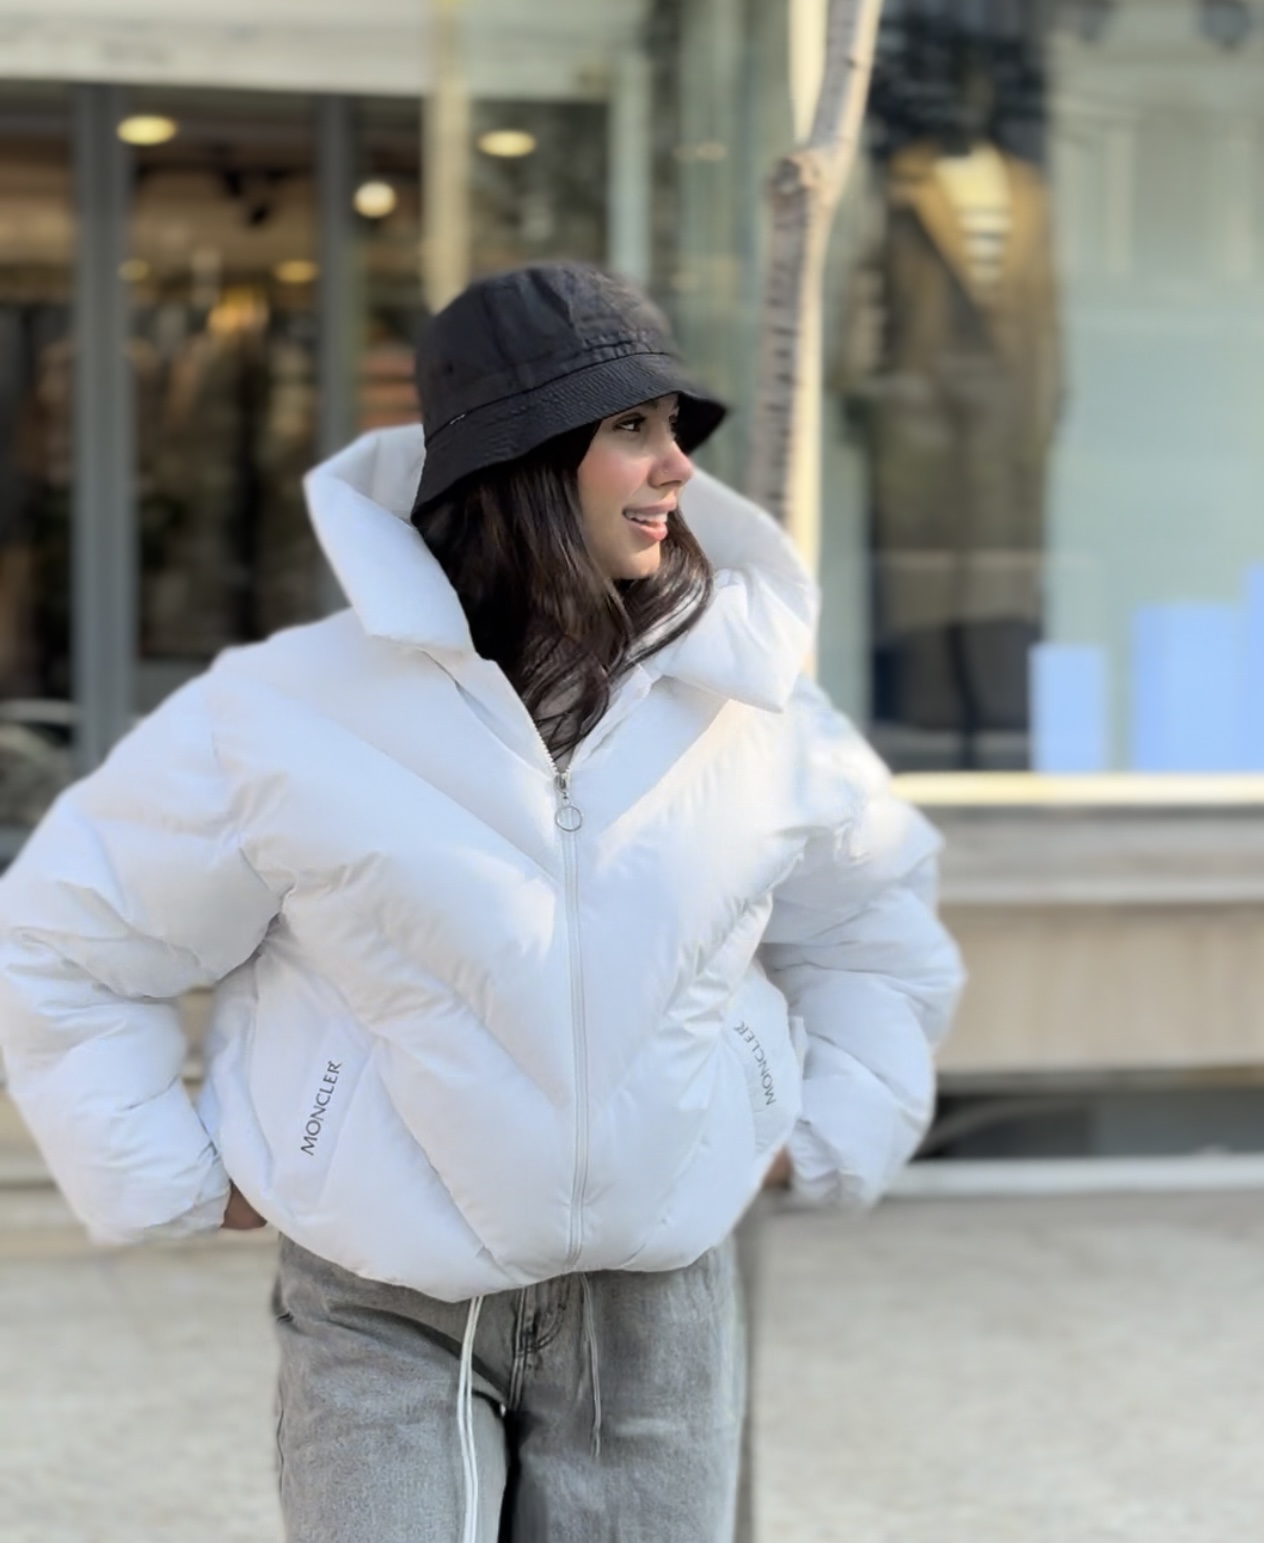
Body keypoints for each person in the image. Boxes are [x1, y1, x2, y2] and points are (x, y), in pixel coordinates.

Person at [0, 263, 963, 1543]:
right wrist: (170, 1176)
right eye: (633, 427)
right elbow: (64, 942)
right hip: (386, 1299)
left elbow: (873, 927)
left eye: (676, 427)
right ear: (521, 461)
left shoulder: (751, 705)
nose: (677, 466)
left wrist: (823, 1127)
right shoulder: (283, 713)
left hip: (655, 1313)